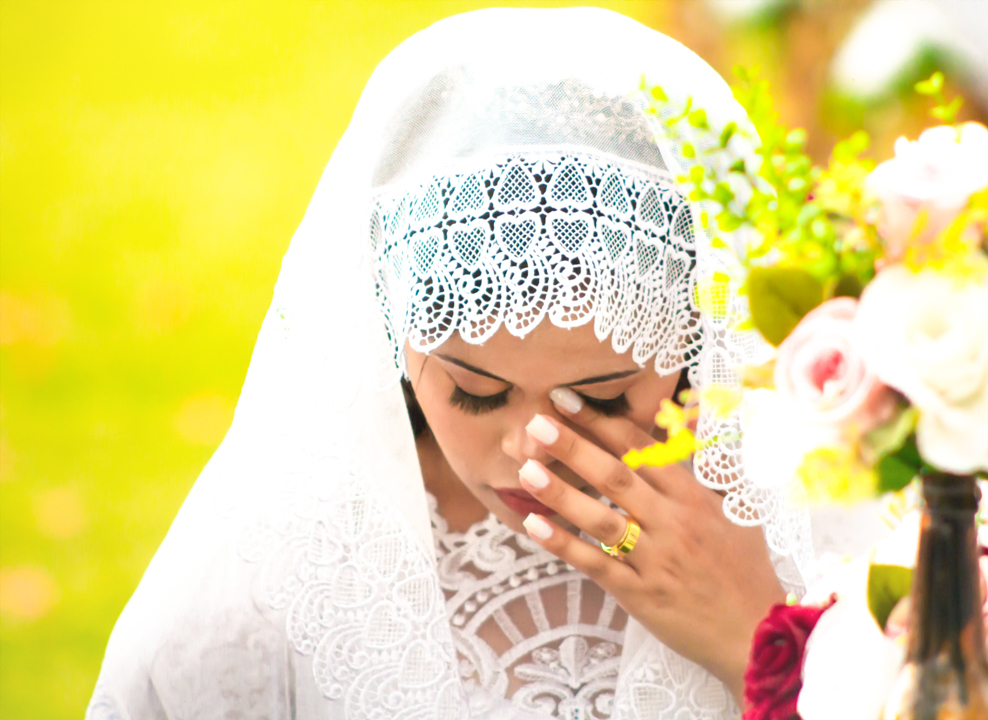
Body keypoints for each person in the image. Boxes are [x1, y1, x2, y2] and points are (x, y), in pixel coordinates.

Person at [87, 8, 813, 720]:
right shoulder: (261, 602)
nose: (535, 452)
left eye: (601, 397)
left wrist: (761, 641)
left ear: (698, 335)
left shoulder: (812, 533)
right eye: (474, 392)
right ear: (391, 330)